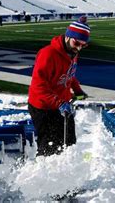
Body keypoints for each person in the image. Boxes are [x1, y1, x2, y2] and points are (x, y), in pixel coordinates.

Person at [28, 15, 90, 156]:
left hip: (61, 104)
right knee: (50, 147)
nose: (79, 48)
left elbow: (69, 75)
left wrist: (77, 90)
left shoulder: (72, 52)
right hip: (43, 107)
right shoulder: (48, 54)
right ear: (68, 36)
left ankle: (68, 172)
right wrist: (59, 103)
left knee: (69, 143)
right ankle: (43, 173)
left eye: (83, 45)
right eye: (77, 43)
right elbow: (39, 87)